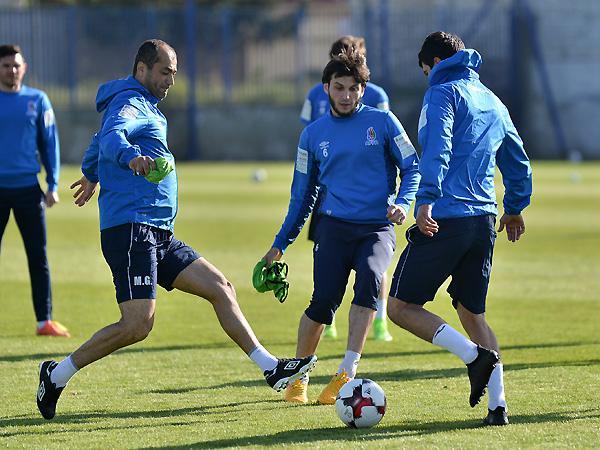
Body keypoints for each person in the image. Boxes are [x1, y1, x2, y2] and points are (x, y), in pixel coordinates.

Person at [35, 39, 316, 420]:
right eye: (165, 72)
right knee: (138, 324)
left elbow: (99, 140)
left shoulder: (143, 104)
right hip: (132, 229)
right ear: (142, 69)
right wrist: (130, 157)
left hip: (157, 231)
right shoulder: (130, 102)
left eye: (174, 73)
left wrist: (91, 172)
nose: (171, 80)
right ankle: (56, 375)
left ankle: (271, 369)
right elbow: (114, 136)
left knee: (221, 288)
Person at [387, 31, 532, 426]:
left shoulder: (441, 93)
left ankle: (474, 357)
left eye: (424, 71)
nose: (426, 78)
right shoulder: (492, 100)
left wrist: (425, 200)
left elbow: (439, 148)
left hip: (445, 218)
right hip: (484, 221)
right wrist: (514, 208)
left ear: (433, 63)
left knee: (399, 306)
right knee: (472, 313)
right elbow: (518, 160)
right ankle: (498, 407)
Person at [261, 47, 420, 404]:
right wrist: (280, 243)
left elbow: (412, 167)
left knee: (370, 280)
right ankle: (299, 377)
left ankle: (346, 373)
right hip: (332, 227)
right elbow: (301, 196)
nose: (346, 95)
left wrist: (403, 203)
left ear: (363, 89)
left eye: (353, 88)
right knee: (323, 302)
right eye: (339, 88)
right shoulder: (312, 135)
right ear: (326, 89)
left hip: (377, 228)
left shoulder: (384, 122)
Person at [300, 35, 393, 342]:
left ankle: (379, 320)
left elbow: (390, 148)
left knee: (373, 267)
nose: (346, 94)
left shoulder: (377, 98)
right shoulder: (314, 95)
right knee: (328, 266)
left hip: (369, 202)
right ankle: (327, 317)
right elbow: (308, 133)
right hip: (328, 195)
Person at [0, 44, 69, 337]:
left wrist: (53, 184)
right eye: (6, 65)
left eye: (16, 65)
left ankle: (45, 321)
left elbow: (49, 143)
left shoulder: (37, 99)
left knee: (37, 257)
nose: (12, 70)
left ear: (24, 67)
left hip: (28, 189)